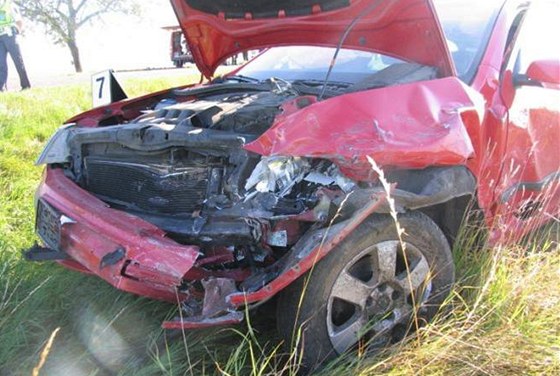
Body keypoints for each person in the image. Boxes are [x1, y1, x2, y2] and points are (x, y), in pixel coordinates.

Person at [0, 0, 31, 92]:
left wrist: (16, 33)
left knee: (18, 61)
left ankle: (25, 86)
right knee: (1, 64)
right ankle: (1, 87)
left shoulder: (9, 5)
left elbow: (19, 21)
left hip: (10, 35)